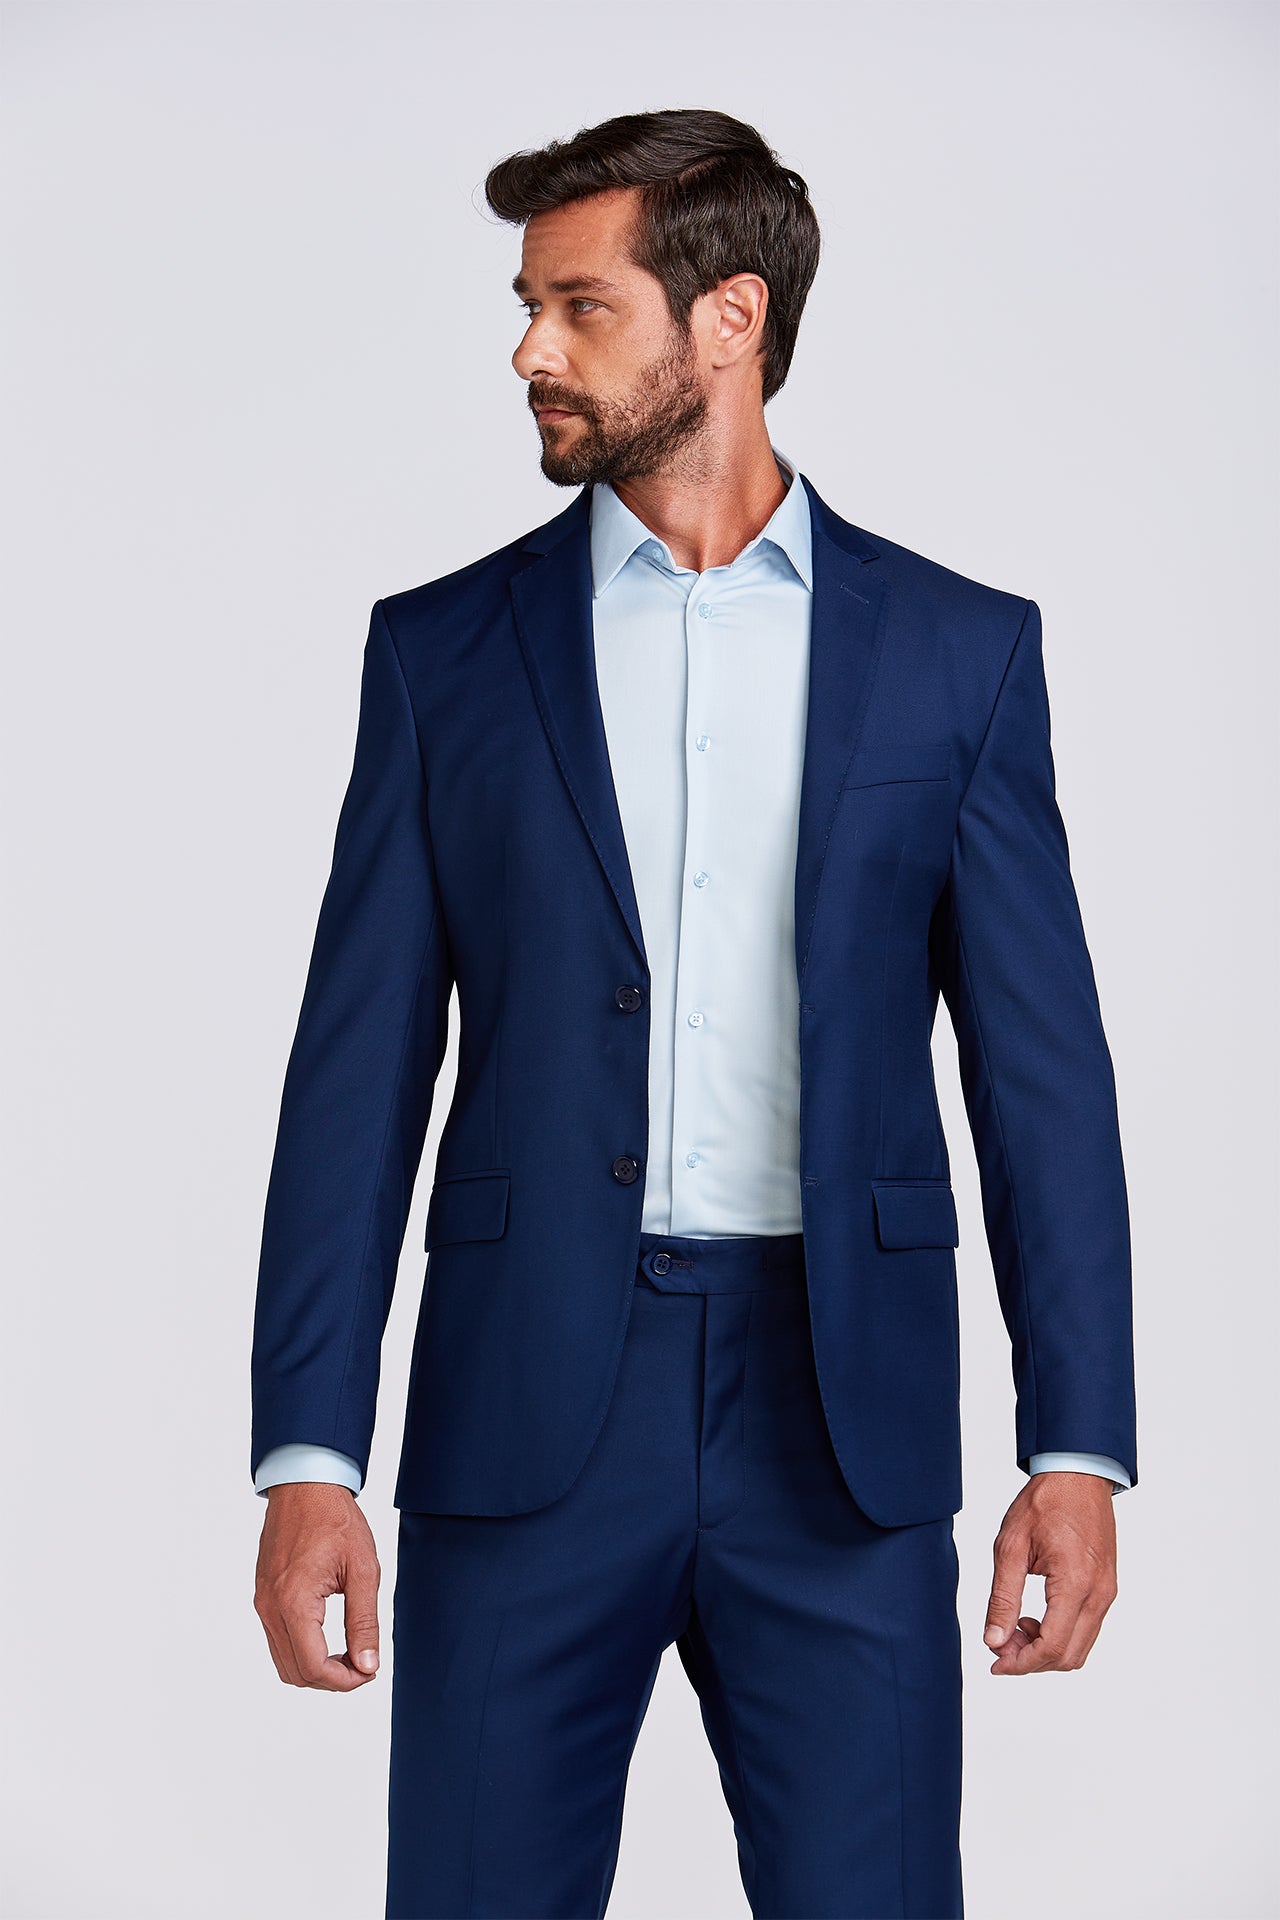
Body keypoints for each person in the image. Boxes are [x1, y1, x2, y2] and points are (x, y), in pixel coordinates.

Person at [250, 107, 1137, 1920]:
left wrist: (1076, 1442)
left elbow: (1041, 1076)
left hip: (845, 1429)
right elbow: (354, 1078)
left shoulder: (960, 653)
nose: (529, 351)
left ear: (730, 318)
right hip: (522, 1418)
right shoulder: (442, 657)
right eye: (527, 307)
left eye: (578, 308)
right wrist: (309, 1454)